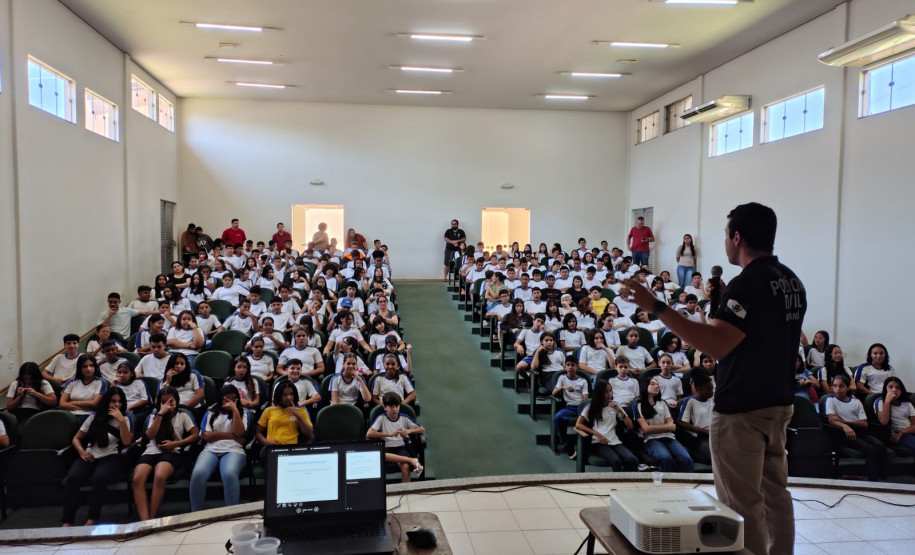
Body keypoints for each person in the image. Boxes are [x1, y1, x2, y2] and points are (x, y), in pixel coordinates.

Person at [620, 201, 806, 555]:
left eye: (725, 234)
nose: (725, 241)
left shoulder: (747, 284)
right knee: (775, 496)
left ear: (737, 237)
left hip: (743, 409)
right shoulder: (790, 281)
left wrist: (656, 305)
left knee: (742, 504)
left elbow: (714, 344)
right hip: (779, 402)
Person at [61, 387, 133, 527]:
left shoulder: (125, 418)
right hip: (90, 454)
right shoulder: (93, 417)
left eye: (119, 402)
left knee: (100, 478)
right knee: (73, 477)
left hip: (111, 455)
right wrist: (82, 452)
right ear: (106, 402)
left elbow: (126, 442)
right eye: (113, 401)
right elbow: (76, 439)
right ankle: (67, 520)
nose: (117, 405)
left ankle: (92, 519)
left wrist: (121, 421)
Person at [133, 386, 200, 521]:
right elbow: (149, 435)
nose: (168, 405)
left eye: (171, 401)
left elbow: (195, 435)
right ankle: (144, 520)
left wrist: (175, 444)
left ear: (177, 401)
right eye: (163, 402)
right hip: (151, 450)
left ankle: (152, 519)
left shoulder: (183, 415)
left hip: (172, 451)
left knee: (159, 476)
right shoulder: (153, 416)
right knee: (137, 479)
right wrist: (160, 414)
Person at [189, 384, 251, 512]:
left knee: (229, 474)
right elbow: (207, 436)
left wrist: (234, 410)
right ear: (220, 399)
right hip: (211, 449)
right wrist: (232, 435)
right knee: (198, 474)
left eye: (234, 399)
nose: (230, 402)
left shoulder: (243, 413)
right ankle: (196, 514)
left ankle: (231, 513)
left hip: (234, 450)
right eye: (226, 399)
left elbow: (239, 433)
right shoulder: (210, 412)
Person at [826, 374, 886, 481]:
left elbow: (864, 424)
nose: (838, 389)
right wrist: (845, 426)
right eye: (835, 386)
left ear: (848, 388)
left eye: (841, 386)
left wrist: (843, 421)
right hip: (844, 434)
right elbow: (832, 419)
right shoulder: (831, 400)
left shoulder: (856, 402)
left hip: (860, 432)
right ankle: (872, 479)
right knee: (869, 449)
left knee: (880, 445)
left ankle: (882, 475)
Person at [574, 379, 638, 471]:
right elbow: (578, 425)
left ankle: (624, 479)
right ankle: (618, 480)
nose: (609, 394)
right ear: (600, 393)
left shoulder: (615, 405)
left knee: (632, 459)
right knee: (616, 461)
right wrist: (597, 434)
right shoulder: (590, 406)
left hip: (614, 440)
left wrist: (620, 411)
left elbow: (630, 426)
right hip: (598, 442)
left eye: (610, 391)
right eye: (606, 392)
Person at [633, 377, 694, 473]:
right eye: (652, 384)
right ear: (645, 386)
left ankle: (687, 481)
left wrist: (656, 428)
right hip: (651, 439)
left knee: (686, 459)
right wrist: (667, 427)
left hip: (669, 437)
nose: (656, 386)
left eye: (657, 384)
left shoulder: (662, 403)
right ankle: (669, 482)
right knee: (666, 458)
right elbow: (646, 429)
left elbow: (672, 425)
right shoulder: (637, 405)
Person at [367, 392, 425, 482]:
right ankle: (411, 460)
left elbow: (422, 429)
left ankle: (406, 489)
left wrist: (409, 431)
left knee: (405, 466)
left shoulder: (404, 418)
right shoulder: (381, 418)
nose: (394, 409)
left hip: (401, 447)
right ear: (385, 407)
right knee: (381, 454)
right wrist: (388, 434)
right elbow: (369, 433)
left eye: (397, 406)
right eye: (391, 407)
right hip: (387, 448)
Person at [552, 356, 589, 457]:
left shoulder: (583, 381)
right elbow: (554, 393)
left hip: (581, 406)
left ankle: (588, 444)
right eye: (568, 365)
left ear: (577, 367)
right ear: (565, 367)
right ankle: (565, 442)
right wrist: (562, 388)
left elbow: (585, 398)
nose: (570, 367)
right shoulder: (562, 378)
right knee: (558, 417)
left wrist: (584, 407)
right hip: (570, 407)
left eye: (573, 365)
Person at [256, 382, 313, 447]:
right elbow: (258, 433)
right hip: (272, 447)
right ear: (279, 396)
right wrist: (267, 442)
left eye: (291, 394)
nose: (289, 397)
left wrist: (298, 416)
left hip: (292, 448)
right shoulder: (269, 411)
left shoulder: (301, 411)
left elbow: (309, 434)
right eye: (284, 395)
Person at [677, 372, 714, 465]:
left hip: (714, 434)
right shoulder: (690, 401)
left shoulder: (713, 400)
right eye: (708, 389)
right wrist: (706, 432)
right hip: (700, 437)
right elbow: (681, 423)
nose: (712, 391)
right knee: (713, 457)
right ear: (699, 389)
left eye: (712, 388)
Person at [59, 355, 107, 423]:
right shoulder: (72, 382)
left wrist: (73, 402)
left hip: (88, 415)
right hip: (69, 413)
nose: (89, 369)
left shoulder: (101, 382)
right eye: (85, 366)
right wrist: (81, 407)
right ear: (80, 368)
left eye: (91, 365)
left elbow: (94, 404)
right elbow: (62, 404)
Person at [876, 377, 915, 452]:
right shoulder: (880, 401)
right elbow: (883, 422)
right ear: (885, 389)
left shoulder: (907, 403)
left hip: (907, 431)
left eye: (897, 388)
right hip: (895, 434)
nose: (894, 390)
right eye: (890, 387)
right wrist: (887, 402)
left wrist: (902, 432)